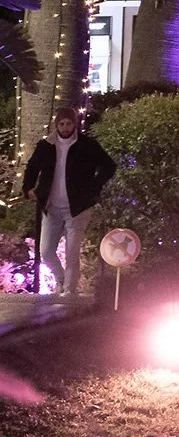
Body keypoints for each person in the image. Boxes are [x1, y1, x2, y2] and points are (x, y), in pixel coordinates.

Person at [21, 107, 112, 298]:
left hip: (77, 208)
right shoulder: (46, 145)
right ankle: (60, 280)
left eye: (69, 123)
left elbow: (108, 166)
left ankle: (70, 291)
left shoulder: (87, 145)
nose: (65, 127)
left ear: (74, 124)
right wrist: (28, 187)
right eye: (62, 124)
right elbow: (32, 167)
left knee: (72, 251)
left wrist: (93, 187)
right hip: (51, 207)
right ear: (56, 125)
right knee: (46, 251)